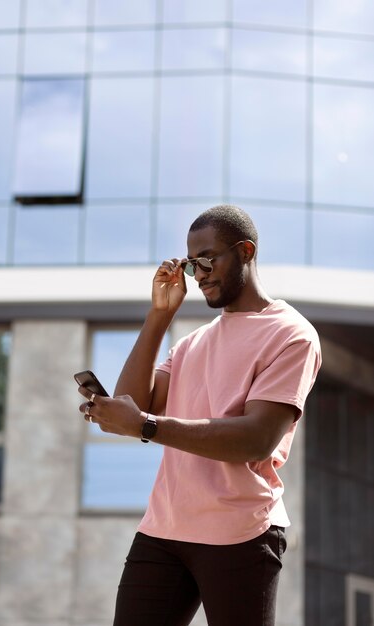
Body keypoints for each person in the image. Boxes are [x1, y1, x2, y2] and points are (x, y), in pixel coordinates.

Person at [78, 205, 322, 626]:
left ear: (245, 252)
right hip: (164, 529)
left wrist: (145, 427)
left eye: (207, 259)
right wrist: (159, 316)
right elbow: (134, 401)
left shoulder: (291, 335)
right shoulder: (193, 343)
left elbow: (256, 438)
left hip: (240, 534)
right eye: (192, 264)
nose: (199, 274)